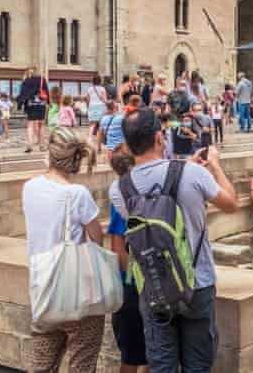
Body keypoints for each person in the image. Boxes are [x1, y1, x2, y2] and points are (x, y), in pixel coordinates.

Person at [109, 109, 238, 372]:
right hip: (197, 282)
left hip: (153, 286)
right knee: (198, 365)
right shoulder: (192, 173)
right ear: (160, 138)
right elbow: (231, 204)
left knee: (162, 364)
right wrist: (215, 165)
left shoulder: (119, 189)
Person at [22, 128, 104, 372]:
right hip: (77, 293)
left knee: (42, 365)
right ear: (77, 159)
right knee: (82, 363)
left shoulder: (30, 187)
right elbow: (96, 238)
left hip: (42, 290)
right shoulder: (77, 194)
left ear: (50, 154)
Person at [105, 148, 148, 373]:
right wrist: (133, 280)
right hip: (133, 286)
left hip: (132, 283)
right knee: (134, 357)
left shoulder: (119, 193)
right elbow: (118, 245)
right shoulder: (125, 196)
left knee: (136, 354)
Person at [18, 68, 48, 153]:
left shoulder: (27, 80)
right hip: (41, 105)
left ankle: (30, 144)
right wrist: (48, 102)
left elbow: (22, 93)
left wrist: (20, 104)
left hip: (30, 105)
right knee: (41, 125)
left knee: (30, 125)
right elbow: (47, 92)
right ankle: (42, 145)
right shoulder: (42, 80)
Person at [85, 76, 108, 140]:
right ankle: (100, 138)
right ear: (100, 81)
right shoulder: (102, 89)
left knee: (92, 124)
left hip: (92, 106)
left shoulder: (89, 89)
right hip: (101, 106)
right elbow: (105, 99)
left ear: (93, 81)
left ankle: (89, 138)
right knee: (101, 124)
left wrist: (88, 108)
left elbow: (87, 100)